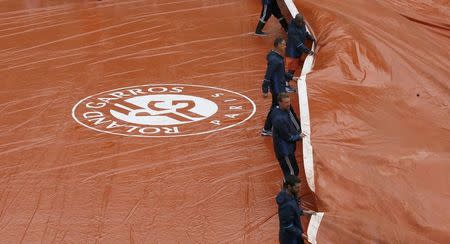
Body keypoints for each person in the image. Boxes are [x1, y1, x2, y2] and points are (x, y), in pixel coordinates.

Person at [261, 38, 296, 136]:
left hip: (278, 87)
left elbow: (281, 72)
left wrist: (292, 77)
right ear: (278, 46)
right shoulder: (275, 60)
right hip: (278, 90)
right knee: (287, 107)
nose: (285, 47)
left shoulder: (276, 58)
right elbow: (267, 76)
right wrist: (264, 90)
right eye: (283, 45)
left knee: (274, 108)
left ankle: (266, 129)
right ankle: (298, 130)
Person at [271, 93, 305, 178]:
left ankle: (289, 189)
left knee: (294, 170)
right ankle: (287, 190)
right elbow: (288, 137)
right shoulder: (279, 119)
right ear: (280, 103)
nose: (289, 104)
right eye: (286, 102)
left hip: (287, 149)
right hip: (284, 150)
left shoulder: (283, 110)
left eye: (289, 102)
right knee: (291, 173)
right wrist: (299, 136)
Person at [277, 175, 316, 244]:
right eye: (297, 187)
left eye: (299, 187)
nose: (299, 189)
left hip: (295, 235)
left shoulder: (292, 194)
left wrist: (304, 212)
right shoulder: (286, 206)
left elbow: (294, 209)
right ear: (289, 187)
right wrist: (302, 235)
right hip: (290, 240)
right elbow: (288, 226)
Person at [285, 13, 316, 92]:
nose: (301, 24)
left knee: (297, 67)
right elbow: (298, 44)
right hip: (292, 52)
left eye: (302, 22)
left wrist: (310, 37)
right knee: (292, 69)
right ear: (296, 21)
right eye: (299, 22)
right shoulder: (292, 30)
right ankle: (285, 84)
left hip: (297, 51)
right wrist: (308, 51)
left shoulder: (302, 24)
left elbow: (304, 33)